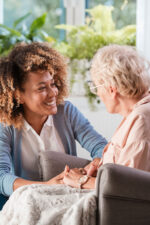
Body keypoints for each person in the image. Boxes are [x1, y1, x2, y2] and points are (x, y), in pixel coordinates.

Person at [0, 42, 107, 205]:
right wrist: (46, 187)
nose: (53, 93)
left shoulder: (67, 112)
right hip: (23, 203)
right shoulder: (5, 124)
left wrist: (91, 167)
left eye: (53, 84)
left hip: (65, 199)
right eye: (41, 88)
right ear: (18, 95)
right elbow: (2, 177)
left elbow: (100, 147)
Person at [62, 44, 150, 189]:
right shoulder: (136, 113)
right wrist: (100, 168)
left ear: (111, 90)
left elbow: (129, 186)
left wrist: (82, 181)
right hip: (107, 198)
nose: (98, 94)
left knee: (29, 197)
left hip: (120, 207)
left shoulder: (141, 118)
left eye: (96, 87)